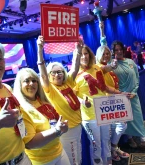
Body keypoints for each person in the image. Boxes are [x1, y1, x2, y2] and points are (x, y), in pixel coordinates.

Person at [36, 35, 83, 165]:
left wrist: (78, 50)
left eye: (60, 72)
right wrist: (40, 49)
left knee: (78, 157)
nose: (57, 74)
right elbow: (43, 73)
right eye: (54, 72)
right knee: (72, 159)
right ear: (49, 75)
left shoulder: (67, 82)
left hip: (78, 125)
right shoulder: (49, 88)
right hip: (67, 130)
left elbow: (75, 67)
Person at [74, 43, 122, 165]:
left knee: (106, 141)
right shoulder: (74, 75)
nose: (84, 56)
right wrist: (82, 102)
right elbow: (74, 95)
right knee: (96, 144)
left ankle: (108, 162)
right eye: (81, 54)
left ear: (90, 55)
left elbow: (105, 81)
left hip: (103, 111)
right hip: (89, 116)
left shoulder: (96, 67)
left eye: (86, 53)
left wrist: (113, 66)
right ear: (76, 56)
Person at [13, 68, 70, 165]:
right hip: (41, 161)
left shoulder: (43, 101)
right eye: (26, 81)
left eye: (34, 80)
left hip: (59, 152)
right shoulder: (19, 110)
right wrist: (56, 130)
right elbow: (30, 143)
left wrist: (62, 126)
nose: (31, 83)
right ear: (20, 85)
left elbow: (56, 120)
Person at [95, 22, 129, 162]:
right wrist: (101, 30)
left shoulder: (109, 67)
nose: (106, 55)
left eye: (108, 53)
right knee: (110, 130)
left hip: (114, 100)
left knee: (121, 124)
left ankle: (114, 147)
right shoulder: (98, 67)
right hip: (104, 103)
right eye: (104, 53)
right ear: (99, 55)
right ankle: (111, 151)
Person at [111, 40, 145, 148]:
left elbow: (137, 78)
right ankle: (130, 139)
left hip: (133, 96)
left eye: (120, 49)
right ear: (113, 51)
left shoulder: (131, 62)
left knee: (138, 117)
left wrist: (134, 92)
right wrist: (102, 31)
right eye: (116, 50)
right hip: (121, 97)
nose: (119, 52)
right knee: (126, 119)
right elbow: (103, 47)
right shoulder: (112, 65)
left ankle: (143, 138)